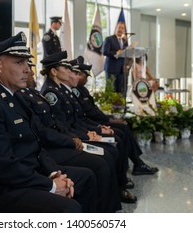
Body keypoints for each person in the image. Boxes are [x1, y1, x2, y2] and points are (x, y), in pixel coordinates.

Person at [0, 32, 98, 213]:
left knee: (86, 177)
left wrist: (53, 172)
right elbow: (2, 168)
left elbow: (36, 144)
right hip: (5, 189)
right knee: (70, 209)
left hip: (27, 175)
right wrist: (51, 185)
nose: (27, 69)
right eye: (19, 63)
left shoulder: (15, 98)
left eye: (26, 62)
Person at [17, 61, 122, 212]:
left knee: (107, 152)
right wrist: (72, 140)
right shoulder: (45, 92)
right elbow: (43, 132)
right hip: (50, 148)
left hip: (52, 146)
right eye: (67, 68)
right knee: (100, 162)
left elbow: (60, 124)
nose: (30, 72)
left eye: (30, 67)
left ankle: (109, 207)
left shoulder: (31, 92)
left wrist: (82, 135)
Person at [40, 51, 137, 203]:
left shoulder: (61, 90)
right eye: (67, 69)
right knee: (108, 152)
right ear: (54, 72)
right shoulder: (51, 93)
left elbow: (76, 120)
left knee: (113, 144)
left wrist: (94, 130)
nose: (73, 73)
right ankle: (111, 198)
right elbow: (61, 126)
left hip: (75, 135)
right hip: (66, 141)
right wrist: (87, 136)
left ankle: (117, 190)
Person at [72, 57, 159, 176]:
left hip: (93, 122)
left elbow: (93, 110)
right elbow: (89, 114)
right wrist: (107, 121)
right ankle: (132, 167)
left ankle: (137, 163)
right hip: (90, 125)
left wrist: (109, 118)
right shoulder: (76, 91)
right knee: (121, 131)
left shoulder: (81, 89)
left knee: (124, 127)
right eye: (84, 76)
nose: (87, 79)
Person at [103, 22, 128, 94]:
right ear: (116, 28)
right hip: (111, 69)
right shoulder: (109, 39)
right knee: (111, 90)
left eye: (122, 28)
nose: (120, 29)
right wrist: (116, 53)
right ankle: (109, 105)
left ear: (124, 31)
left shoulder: (124, 41)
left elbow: (126, 53)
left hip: (121, 70)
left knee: (120, 90)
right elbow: (105, 51)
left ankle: (119, 105)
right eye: (119, 27)